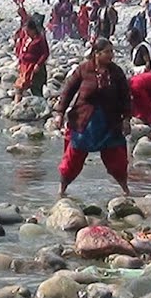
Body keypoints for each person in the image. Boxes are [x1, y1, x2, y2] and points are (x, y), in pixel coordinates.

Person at [54, 38, 133, 198]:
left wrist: (126, 119)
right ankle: (62, 189)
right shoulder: (84, 69)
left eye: (112, 52)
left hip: (109, 122)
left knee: (117, 159)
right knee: (74, 157)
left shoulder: (116, 72)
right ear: (97, 53)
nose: (111, 55)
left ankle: (125, 189)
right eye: (107, 52)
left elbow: (126, 96)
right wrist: (60, 113)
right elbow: (68, 91)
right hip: (84, 122)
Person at [14, 17, 50, 102]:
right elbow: (21, 50)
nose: (27, 33)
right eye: (25, 31)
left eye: (28, 31)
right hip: (25, 67)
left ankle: (41, 105)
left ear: (33, 30)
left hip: (35, 68)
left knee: (36, 88)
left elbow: (45, 53)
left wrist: (38, 64)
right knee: (19, 87)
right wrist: (20, 62)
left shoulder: (40, 39)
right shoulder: (26, 38)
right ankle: (16, 105)